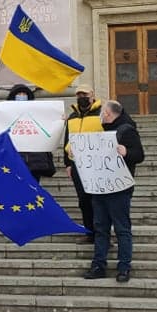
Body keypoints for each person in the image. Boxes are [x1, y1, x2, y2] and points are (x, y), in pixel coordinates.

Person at [83, 100, 145, 283]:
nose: (101, 115)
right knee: (100, 228)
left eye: (103, 112)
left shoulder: (127, 131)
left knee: (121, 228)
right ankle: (98, 265)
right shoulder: (101, 131)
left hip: (119, 188)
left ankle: (124, 267)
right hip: (100, 186)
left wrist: (126, 152)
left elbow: (139, 155)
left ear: (109, 114)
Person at [63, 84, 104, 242]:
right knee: (83, 200)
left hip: (97, 163)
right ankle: (89, 232)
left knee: (98, 201)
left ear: (92, 95)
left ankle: (102, 233)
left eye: (84, 94)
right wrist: (67, 163)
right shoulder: (72, 117)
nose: (82, 98)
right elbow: (67, 139)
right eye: (79, 95)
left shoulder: (101, 113)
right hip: (77, 164)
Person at [7, 83, 57, 182]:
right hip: (14, 159)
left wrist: (59, 120)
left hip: (35, 161)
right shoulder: (6, 113)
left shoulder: (37, 112)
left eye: (24, 94)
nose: (21, 96)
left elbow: (48, 127)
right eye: (19, 94)